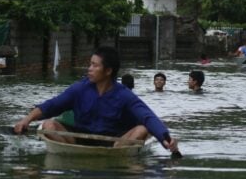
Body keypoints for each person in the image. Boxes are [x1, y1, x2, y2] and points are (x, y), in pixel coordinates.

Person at [14, 47, 178, 152]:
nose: (89, 69)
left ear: (108, 71)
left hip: (115, 143)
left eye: (94, 65)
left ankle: (114, 157)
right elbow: (51, 105)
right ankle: (74, 153)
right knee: (49, 125)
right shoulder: (79, 89)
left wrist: (166, 139)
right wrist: (27, 120)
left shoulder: (124, 95)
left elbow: (147, 117)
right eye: (90, 64)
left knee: (142, 129)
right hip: (77, 140)